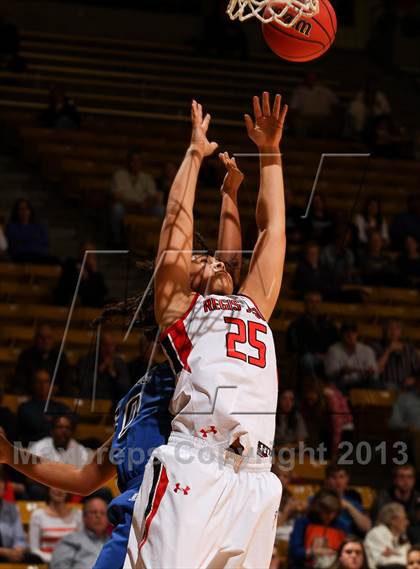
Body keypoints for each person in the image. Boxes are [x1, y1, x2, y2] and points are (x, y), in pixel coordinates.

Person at [0, 150, 245, 569]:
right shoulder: (147, 386)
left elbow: (231, 271)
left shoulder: (198, 358)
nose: (216, 263)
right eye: (203, 259)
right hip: (136, 524)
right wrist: (11, 455)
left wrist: (230, 195)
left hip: (176, 521)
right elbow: (84, 477)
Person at [125, 93, 287, 569]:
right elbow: (175, 233)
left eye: (216, 256)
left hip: (257, 479)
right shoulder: (180, 310)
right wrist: (195, 156)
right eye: (202, 258)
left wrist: (271, 152)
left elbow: (273, 230)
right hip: (196, 466)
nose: (213, 259)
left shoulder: (253, 303)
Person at [110, 146, 164, 245]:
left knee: (160, 210)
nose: (135, 163)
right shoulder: (119, 175)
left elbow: (153, 196)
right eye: (133, 161)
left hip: (144, 207)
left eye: (138, 161)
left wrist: (148, 203)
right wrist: (136, 204)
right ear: (128, 162)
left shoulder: (146, 177)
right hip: (127, 206)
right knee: (117, 209)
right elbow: (117, 197)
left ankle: (157, 242)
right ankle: (116, 241)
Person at [289, 489, 347, 569]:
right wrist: (314, 552)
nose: (330, 516)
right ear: (317, 508)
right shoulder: (303, 522)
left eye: (334, 512)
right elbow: (294, 551)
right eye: (326, 511)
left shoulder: (341, 526)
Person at [286, 290, 339, 377]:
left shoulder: (328, 324)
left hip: (328, 357)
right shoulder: (296, 325)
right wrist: (316, 355)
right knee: (307, 361)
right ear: (305, 304)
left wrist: (328, 355)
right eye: (311, 302)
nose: (314, 305)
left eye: (317, 302)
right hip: (308, 358)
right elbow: (294, 348)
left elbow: (336, 343)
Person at [301, 376, 354, 459]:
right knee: (321, 454)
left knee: (334, 457)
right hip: (327, 427)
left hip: (344, 428)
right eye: (308, 399)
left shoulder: (330, 397)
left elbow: (337, 425)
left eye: (311, 398)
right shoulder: (310, 404)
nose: (310, 402)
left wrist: (334, 450)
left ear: (317, 392)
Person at [50, 496, 109, 569]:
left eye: (103, 513)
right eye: (93, 512)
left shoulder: (114, 542)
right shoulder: (70, 541)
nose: (98, 516)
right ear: (84, 516)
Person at [16, 369, 70, 447]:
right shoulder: (25, 408)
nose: (42, 385)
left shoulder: (61, 407)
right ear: (33, 385)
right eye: (39, 381)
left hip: (57, 449)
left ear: (51, 385)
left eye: (46, 381)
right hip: (33, 449)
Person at [14, 323, 72, 395]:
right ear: (36, 339)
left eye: (48, 337)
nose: (45, 341)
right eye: (41, 338)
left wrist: (53, 389)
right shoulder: (26, 356)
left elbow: (66, 380)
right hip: (31, 394)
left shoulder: (60, 356)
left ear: (53, 340)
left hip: (54, 395)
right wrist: (36, 388)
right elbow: (20, 380)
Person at [29, 487, 83, 563]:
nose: (59, 490)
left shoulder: (78, 514)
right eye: (54, 486)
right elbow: (34, 550)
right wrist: (55, 559)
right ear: (48, 489)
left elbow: (82, 546)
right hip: (47, 564)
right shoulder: (37, 515)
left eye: (62, 486)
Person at [77, 331, 131, 407]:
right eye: (105, 345)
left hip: (114, 403)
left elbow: (125, 388)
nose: (108, 349)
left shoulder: (119, 363)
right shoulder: (87, 361)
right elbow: (85, 386)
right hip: (92, 401)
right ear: (98, 345)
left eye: (111, 345)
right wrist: (100, 370)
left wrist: (113, 374)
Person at [0, 470, 41, 564]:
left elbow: (19, 538)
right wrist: (5, 552)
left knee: (35, 559)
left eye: (1, 481)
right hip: (4, 554)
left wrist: (18, 550)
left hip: (10, 556)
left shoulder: (12, 508)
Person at [325, 322, 379, 393]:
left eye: (353, 332)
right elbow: (329, 373)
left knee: (375, 384)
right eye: (347, 332)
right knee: (333, 385)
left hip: (361, 382)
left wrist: (371, 373)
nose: (350, 335)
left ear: (357, 334)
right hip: (342, 382)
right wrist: (341, 372)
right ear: (341, 335)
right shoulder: (333, 350)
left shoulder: (366, 350)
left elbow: (375, 374)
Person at [55, 240, 108, 309]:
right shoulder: (71, 263)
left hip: (93, 302)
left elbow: (103, 291)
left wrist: (95, 272)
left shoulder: (94, 272)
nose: (90, 254)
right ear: (81, 252)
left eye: (92, 251)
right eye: (87, 251)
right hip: (75, 300)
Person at [324, 464, 372, 536]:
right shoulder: (318, 500)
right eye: (334, 477)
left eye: (341, 477)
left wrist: (349, 507)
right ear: (327, 480)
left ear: (347, 478)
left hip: (351, 542)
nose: (338, 481)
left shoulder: (353, 501)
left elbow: (366, 527)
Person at [373, 319, 420, 391]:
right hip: (385, 385)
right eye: (390, 329)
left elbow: (418, 370)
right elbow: (376, 370)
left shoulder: (409, 349)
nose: (393, 332)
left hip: (407, 386)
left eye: (397, 329)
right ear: (384, 331)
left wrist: (414, 380)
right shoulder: (377, 347)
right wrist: (388, 350)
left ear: (400, 332)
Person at [290, 73, 339, 138]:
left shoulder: (326, 91)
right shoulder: (299, 91)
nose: (311, 81)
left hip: (324, 118)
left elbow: (336, 104)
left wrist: (333, 116)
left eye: (313, 79)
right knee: (298, 123)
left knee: (331, 125)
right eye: (309, 79)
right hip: (305, 118)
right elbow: (293, 107)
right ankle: (301, 145)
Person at [5, 198, 51, 263]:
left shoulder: (39, 226)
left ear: (30, 210)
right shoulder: (11, 226)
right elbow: (14, 243)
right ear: (16, 212)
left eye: (26, 208)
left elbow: (45, 243)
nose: (24, 211)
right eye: (21, 209)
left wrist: (27, 242)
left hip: (39, 254)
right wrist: (33, 241)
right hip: (21, 256)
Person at [364, 503, 410, 569]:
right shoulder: (377, 534)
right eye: (404, 518)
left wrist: (395, 554)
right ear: (393, 520)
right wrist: (402, 556)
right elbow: (381, 562)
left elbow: (413, 556)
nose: (407, 522)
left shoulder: (401, 537)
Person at [389, 378, 420, 467]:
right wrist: (408, 427)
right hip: (412, 434)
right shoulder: (403, 398)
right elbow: (394, 422)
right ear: (417, 382)